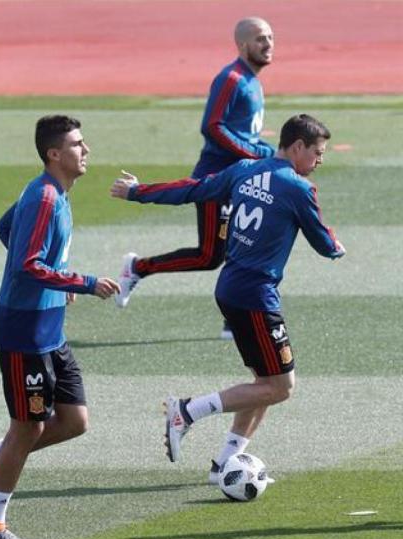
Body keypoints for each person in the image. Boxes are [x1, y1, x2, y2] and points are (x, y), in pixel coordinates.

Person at [109, 114, 344, 482]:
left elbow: (192, 189)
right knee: (280, 387)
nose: (320, 160)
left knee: (260, 386)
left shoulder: (243, 170)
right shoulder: (298, 188)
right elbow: (322, 241)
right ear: (297, 147)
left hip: (230, 288)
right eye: (317, 152)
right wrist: (335, 248)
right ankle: (187, 411)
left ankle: (225, 464)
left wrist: (139, 191)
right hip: (255, 297)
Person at [0, 116, 119, 539]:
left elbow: (5, 229)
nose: (86, 151)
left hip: (50, 331)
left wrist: (56, 281)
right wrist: (79, 282)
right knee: (26, 429)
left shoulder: (55, 193)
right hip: (23, 333)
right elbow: (27, 263)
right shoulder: (45, 196)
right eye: (78, 144)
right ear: (54, 154)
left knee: (74, 421)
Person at [115, 17, 276, 340]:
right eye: (261, 38)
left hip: (240, 179)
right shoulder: (230, 79)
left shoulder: (253, 80)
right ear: (243, 45)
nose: (268, 44)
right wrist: (254, 154)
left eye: (271, 37)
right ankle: (138, 268)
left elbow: (246, 133)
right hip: (216, 179)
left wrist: (268, 151)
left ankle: (236, 319)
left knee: (243, 245)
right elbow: (213, 127)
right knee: (209, 255)